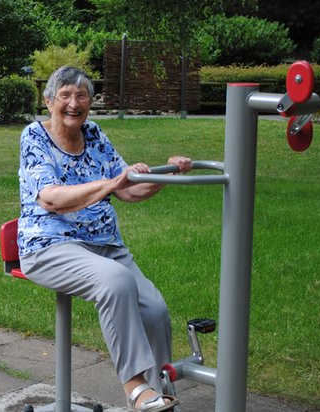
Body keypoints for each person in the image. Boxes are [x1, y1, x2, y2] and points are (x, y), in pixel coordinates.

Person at [17, 66, 191, 412]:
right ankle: (135, 387)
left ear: (90, 104)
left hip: (105, 245)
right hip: (49, 246)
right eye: (64, 95)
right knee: (115, 280)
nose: (73, 103)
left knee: (155, 310)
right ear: (49, 101)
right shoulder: (34, 136)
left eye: (81, 95)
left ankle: (159, 399)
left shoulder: (94, 134)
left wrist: (166, 172)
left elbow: (131, 190)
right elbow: (51, 198)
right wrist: (111, 184)